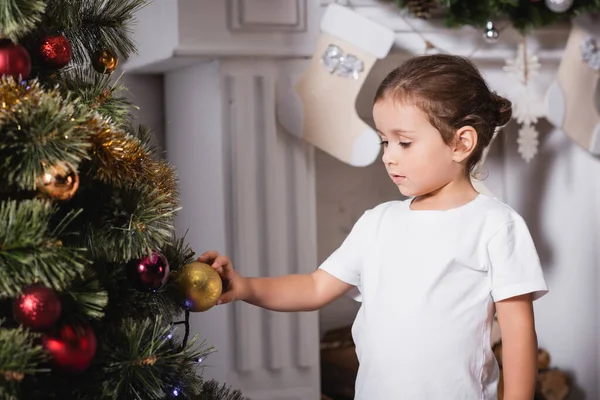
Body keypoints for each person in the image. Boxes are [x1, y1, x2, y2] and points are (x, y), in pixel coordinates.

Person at [198, 54, 548, 399]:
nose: (388, 156)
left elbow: (518, 334)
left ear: (461, 143)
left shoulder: (495, 225)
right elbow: (315, 287)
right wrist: (244, 287)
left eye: (404, 142)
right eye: (385, 140)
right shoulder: (378, 222)